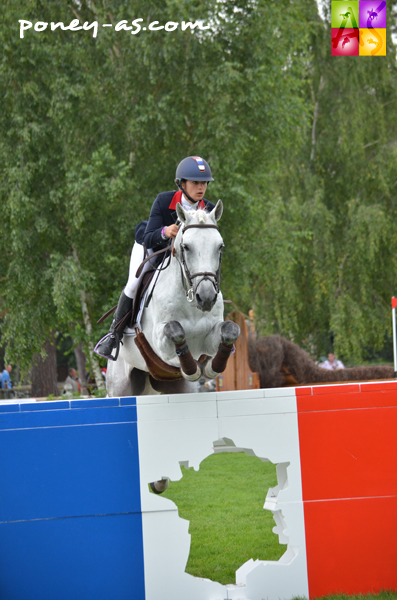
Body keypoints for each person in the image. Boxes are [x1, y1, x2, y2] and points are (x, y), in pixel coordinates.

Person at [95, 156, 215, 361]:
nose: (201, 187)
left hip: (187, 260)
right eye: (195, 182)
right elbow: (148, 236)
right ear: (182, 184)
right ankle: (114, 334)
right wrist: (164, 232)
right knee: (134, 283)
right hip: (153, 249)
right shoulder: (164, 200)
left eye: (204, 183)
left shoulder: (209, 208)